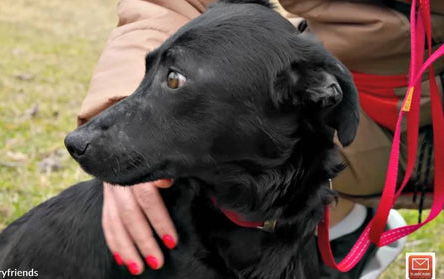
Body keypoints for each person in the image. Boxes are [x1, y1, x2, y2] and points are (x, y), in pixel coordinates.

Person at [77, 0, 444, 278]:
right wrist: (127, 110)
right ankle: (343, 223)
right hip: (367, 101)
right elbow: (168, 4)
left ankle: (338, 222)